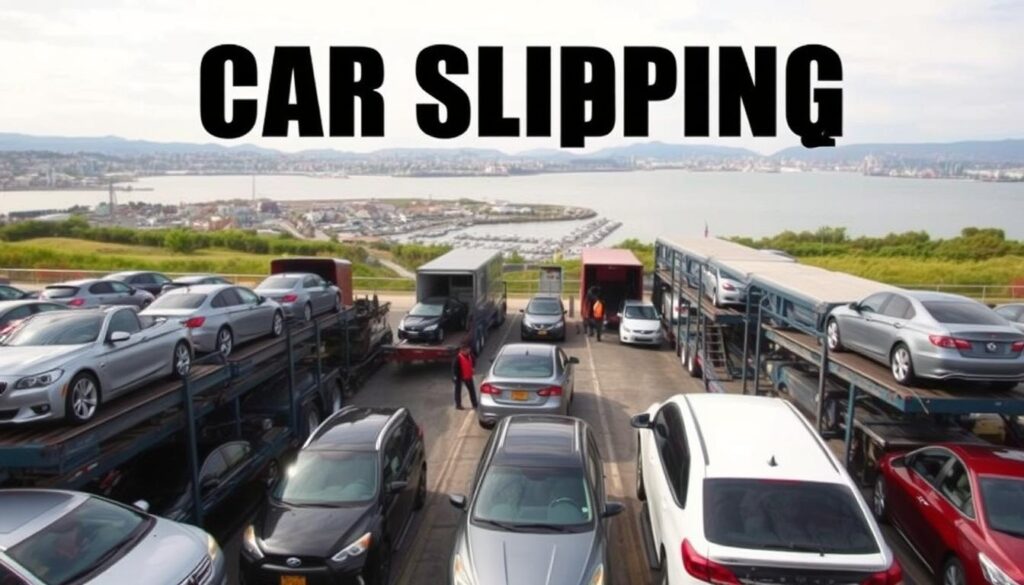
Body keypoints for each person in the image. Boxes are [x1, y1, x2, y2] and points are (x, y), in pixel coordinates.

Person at [452, 343, 478, 410]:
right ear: (462, 351)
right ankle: (458, 405)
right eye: (467, 350)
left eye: (469, 350)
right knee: (458, 391)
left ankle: (475, 404)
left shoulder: (470, 356)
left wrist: (473, 367)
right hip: (460, 376)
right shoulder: (458, 358)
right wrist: (456, 377)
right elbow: (454, 369)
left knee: (472, 390)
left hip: (468, 375)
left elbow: (474, 361)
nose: (469, 351)